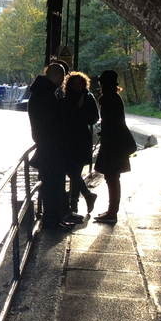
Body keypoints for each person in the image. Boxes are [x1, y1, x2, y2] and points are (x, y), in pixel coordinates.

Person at [26, 61, 76, 230]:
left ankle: (54, 219)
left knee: (53, 185)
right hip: (52, 148)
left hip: (49, 146)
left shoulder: (42, 91)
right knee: (53, 186)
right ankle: (52, 221)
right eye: (62, 77)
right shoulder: (46, 94)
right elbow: (50, 122)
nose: (62, 81)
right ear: (58, 76)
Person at [93, 70, 136, 224]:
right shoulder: (115, 98)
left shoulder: (107, 99)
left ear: (103, 84)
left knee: (111, 177)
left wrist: (104, 137)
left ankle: (112, 213)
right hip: (117, 144)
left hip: (112, 145)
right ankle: (112, 211)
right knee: (113, 177)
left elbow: (110, 123)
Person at [62, 71, 99, 215]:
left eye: (80, 83)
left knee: (74, 171)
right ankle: (83, 198)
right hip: (68, 139)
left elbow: (93, 119)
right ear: (70, 85)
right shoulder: (66, 98)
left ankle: (75, 203)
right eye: (75, 84)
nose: (78, 86)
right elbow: (65, 117)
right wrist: (76, 107)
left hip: (82, 138)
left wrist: (80, 108)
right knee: (71, 170)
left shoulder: (88, 98)